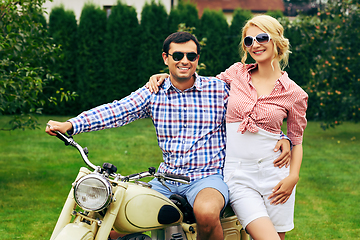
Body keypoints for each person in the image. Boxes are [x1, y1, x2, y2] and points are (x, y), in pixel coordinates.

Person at [46, 31, 290, 240]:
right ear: (166, 58)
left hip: (207, 178)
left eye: (191, 56)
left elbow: (253, 111)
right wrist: (71, 124)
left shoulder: (218, 89)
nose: (185, 61)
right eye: (178, 56)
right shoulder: (154, 92)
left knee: (206, 213)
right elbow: (116, 110)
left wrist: (282, 137)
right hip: (164, 179)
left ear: (197, 60)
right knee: (115, 217)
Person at [147, 16, 308, 240]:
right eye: (248, 41)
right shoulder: (237, 74)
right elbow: (201, 88)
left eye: (262, 37)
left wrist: (293, 176)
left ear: (277, 41)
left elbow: (296, 140)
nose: (255, 44)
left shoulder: (295, 94)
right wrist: (171, 76)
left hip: (276, 177)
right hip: (239, 175)